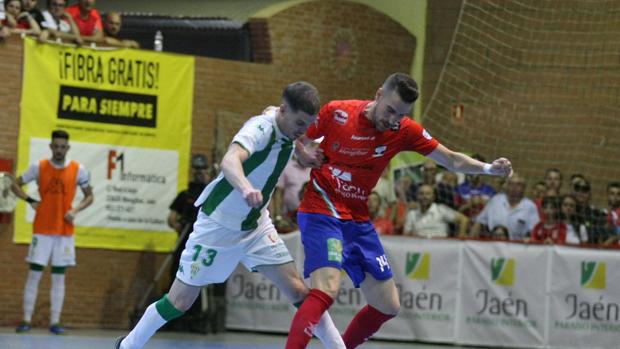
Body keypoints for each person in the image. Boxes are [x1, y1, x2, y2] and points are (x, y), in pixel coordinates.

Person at [285, 73, 512, 349]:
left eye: (400, 114)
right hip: (322, 209)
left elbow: (450, 159)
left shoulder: (403, 130)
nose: (392, 119)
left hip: (357, 219)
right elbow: (293, 136)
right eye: (390, 110)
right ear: (379, 94)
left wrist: (488, 169)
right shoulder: (338, 112)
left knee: (387, 305)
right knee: (327, 288)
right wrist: (302, 153)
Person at [115, 82, 345, 349]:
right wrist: (246, 187)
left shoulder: (285, 122)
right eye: (300, 123)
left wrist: (302, 151)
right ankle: (127, 345)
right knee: (179, 302)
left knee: (298, 291)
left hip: (255, 226)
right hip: (218, 226)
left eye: (308, 124)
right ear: (284, 111)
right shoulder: (259, 129)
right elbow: (230, 159)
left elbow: (285, 128)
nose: (303, 130)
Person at [10, 130, 94, 335]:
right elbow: (14, 184)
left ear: (68, 147)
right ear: (50, 147)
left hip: (64, 232)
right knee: (34, 275)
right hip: (42, 229)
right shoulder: (38, 167)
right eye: (55, 146)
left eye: (62, 146)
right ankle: (26, 319)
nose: (59, 149)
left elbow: (89, 196)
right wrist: (30, 200)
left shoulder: (78, 169)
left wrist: (75, 210)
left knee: (59, 278)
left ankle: (55, 322)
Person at [471, 173, 539, 241]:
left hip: (517, 247)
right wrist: (470, 241)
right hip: (493, 245)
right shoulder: (495, 201)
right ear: (507, 186)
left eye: (518, 185)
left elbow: (534, 231)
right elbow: (479, 221)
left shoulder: (530, 206)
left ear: (524, 188)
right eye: (511, 184)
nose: (514, 187)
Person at [403, 184, 469, 238]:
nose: (424, 196)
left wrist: (459, 242)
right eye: (421, 194)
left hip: (440, 247)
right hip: (419, 248)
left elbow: (464, 220)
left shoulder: (441, 209)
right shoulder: (412, 214)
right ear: (417, 196)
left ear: (433, 197)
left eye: (427, 194)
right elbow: (406, 235)